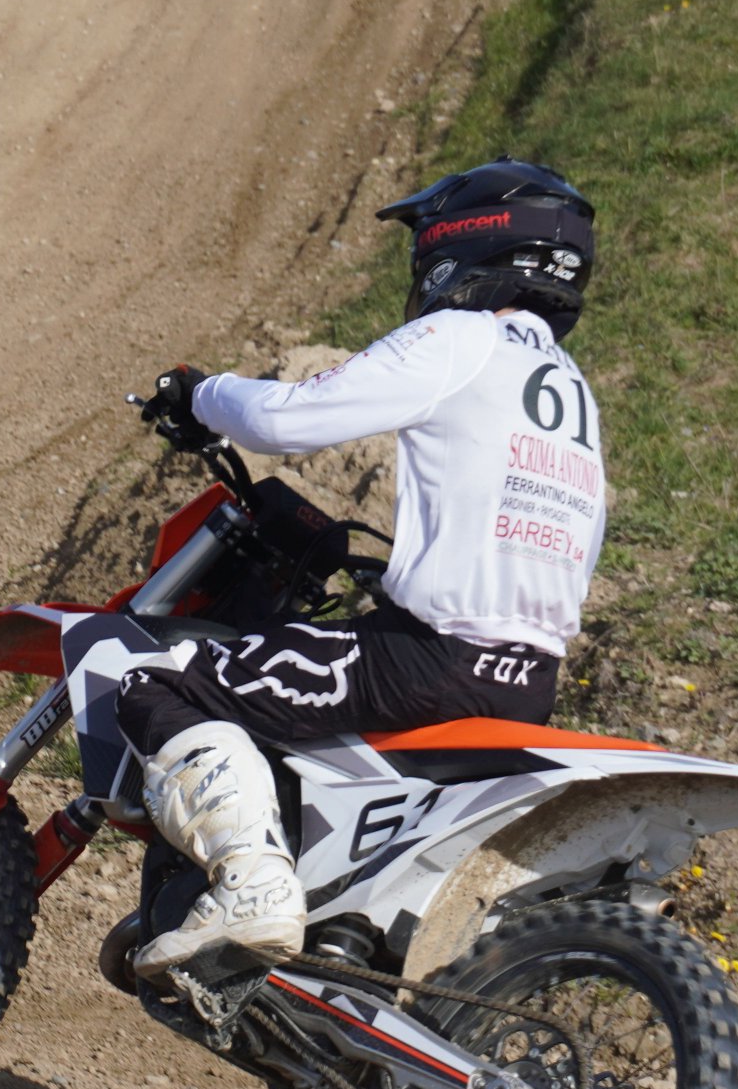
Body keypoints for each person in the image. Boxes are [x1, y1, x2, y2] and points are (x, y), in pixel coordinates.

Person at [120, 159, 608, 975]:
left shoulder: (462, 338)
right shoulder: (570, 389)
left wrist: (201, 394)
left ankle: (250, 888)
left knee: (157, 682)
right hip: (529, 682)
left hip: (429, 664)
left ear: (462, 245)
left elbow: (288, 419)